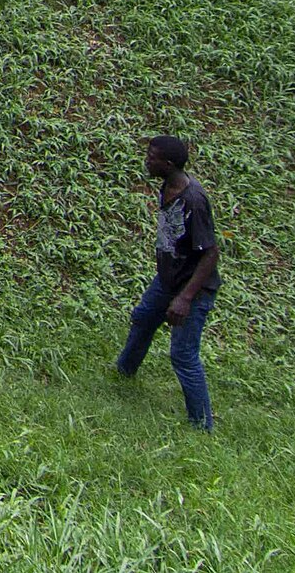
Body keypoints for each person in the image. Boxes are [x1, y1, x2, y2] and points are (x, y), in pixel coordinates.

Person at [116, 134, 220, 430]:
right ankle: (123, 373)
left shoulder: (193, 201)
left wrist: (185, 298)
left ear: (169, 164)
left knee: (183, 355)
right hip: (167, 279)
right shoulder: (169, 186)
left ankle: (202, 425)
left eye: (152, 157)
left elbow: (211, 253)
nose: (147, 161)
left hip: (192, 289)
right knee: (143, 319)